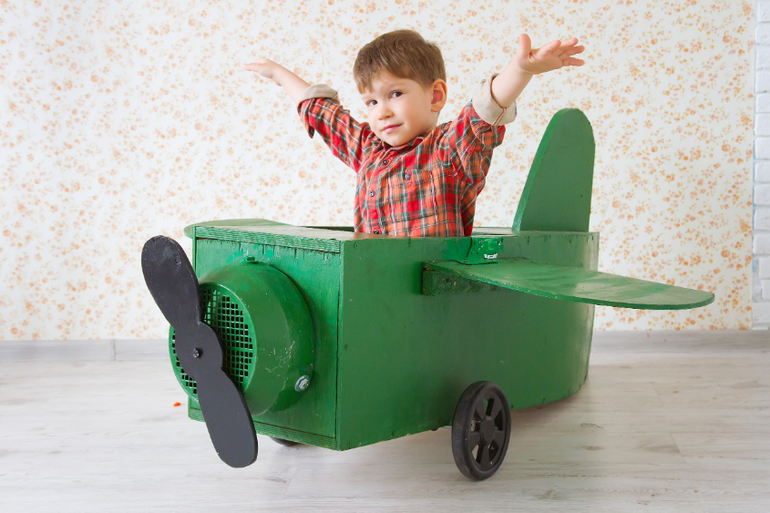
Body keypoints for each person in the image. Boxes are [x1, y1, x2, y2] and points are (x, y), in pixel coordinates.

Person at [245, 30, 584, 237]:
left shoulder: (448, 150)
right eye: (371, 101)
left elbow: (484, 110)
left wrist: (520, 70)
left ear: (435, 96)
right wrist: (278, 73)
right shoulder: (369, 150)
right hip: (375, 288)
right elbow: (324, 113)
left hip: (433, 298)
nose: (382, 111)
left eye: (395, 94)